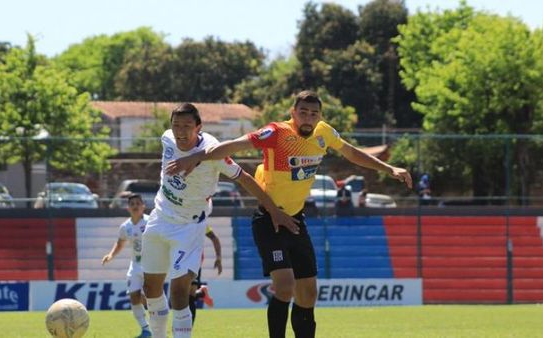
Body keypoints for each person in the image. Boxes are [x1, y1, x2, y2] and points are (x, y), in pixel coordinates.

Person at [165, 91, 413, 338]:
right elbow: (236, 145)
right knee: (284, 287)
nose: (308, 118)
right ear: (293, 114)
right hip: (268, 219)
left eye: (313, 114)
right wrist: (196, 157)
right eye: (302, 112)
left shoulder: (324, 133)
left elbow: (351, 152)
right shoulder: (277, 132)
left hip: (295, 220)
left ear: (320, 116)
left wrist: (389, 167)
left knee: (308, 293)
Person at [141, 103, 299, 338]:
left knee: (179, 292)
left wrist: (273, 210)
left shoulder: (213, 153)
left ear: (199, 127)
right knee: (150, 290)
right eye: (176, 126)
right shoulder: (167, 139)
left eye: (187, 126)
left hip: (189, 226)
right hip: (159, 218)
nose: (180, 131)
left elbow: (244, 178)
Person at [102, 193, 152, 338]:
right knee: (134, 297)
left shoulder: (150, 222)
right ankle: (146, 330)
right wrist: (111, 255)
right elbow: (120, 242)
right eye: (132, 204)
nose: (135, 206)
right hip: (135, 265)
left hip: (151, 265)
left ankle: (158, 326)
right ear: (128, 208)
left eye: (138, 203)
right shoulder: (126, 226)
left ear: (143, 206)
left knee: (150, 297)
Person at [188, 225, 221, 324]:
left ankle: (187, 331)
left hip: (194, 261)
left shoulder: (200, 221)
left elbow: (214, 238)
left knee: (189, 297)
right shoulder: (177, 218)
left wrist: (218, 257)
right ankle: (202, 292)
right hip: (178, 260)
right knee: (181, 296)